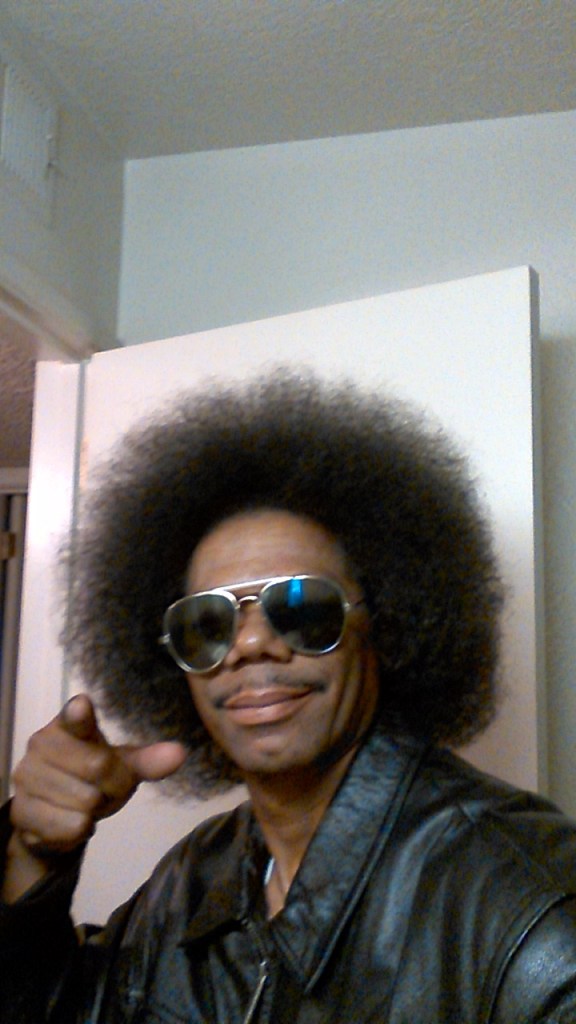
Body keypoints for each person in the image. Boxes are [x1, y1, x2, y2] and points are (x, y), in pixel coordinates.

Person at [1, 369, 576, 1023]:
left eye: (301, 607)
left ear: (383, 626)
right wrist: (34, 854)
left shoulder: (530, 907)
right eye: (207, 623)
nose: (250, 645)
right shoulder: (191, 882)